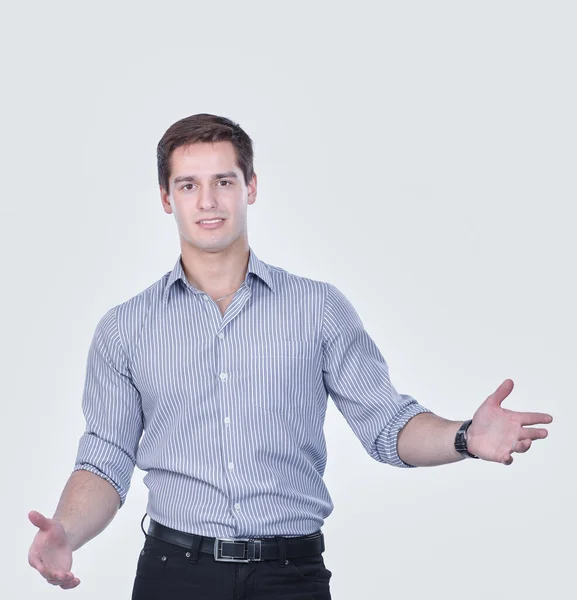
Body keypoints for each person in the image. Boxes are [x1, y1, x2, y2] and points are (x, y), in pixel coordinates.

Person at [28, 114, 553, 599]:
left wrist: (465, 436)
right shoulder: (124, 330)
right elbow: (107, 459)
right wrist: (66, 532)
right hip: (175, 574)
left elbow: (387, 427)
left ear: (250, 188)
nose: (208, 200)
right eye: (189, 185)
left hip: (291, 577)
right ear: (167, 197)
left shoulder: (319, 309)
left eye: (224, 181)